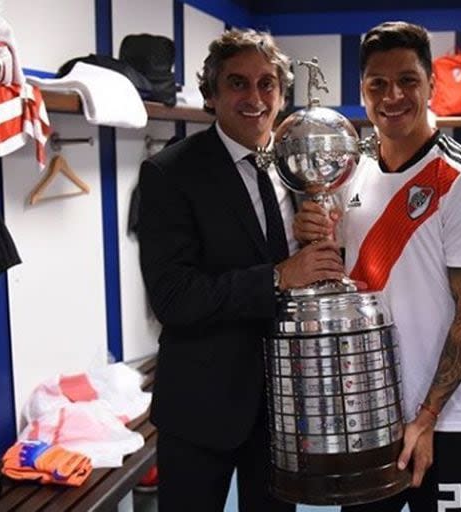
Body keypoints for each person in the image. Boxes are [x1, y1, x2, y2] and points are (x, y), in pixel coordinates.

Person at [294, 21, 461, 512]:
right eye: (377, 84)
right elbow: (346, 283)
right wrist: (315, 236)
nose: (393, 95)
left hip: (449, 420)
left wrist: (426, 418)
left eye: (408, 80)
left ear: (431, 83)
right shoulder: (352, 172)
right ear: (362, 93)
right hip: (370, 416)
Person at [137, 28, 345, 511]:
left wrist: (325, 239)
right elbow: (173, 296)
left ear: (282, 93)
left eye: (267, 84)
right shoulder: (170, 173)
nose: (254, 97)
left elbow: (312, 273)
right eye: (237, 83)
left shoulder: (297, 166)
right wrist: (277, 276)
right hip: (200, 409)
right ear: (211, 94)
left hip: (281, 405)